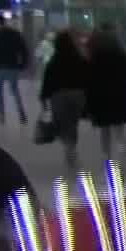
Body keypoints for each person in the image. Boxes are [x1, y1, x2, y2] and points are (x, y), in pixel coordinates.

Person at [37, 30, 90, 172]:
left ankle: (69, 149)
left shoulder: (54, 61)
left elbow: (47, 82)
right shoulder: (79, 58)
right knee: (72, 124)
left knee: (62, 124)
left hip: (58, 97)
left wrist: (43, 99)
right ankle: (71, 149)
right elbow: (88, 77)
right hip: (77, 95)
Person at [84, 25, 126, 161]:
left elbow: (85, 80)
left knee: (104, 129)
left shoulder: (93, 58)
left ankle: (106, 155)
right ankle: (122, 153)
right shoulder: (121, 56)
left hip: (100, 99)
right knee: (119, 129)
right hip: (119, 97)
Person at [0, 16, 27, 127]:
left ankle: (1, 115)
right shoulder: (15, 33)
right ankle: (21, 113)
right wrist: (22, 64)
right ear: (5, 21)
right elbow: (23, 49)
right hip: (12, 65)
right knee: (15, 90)